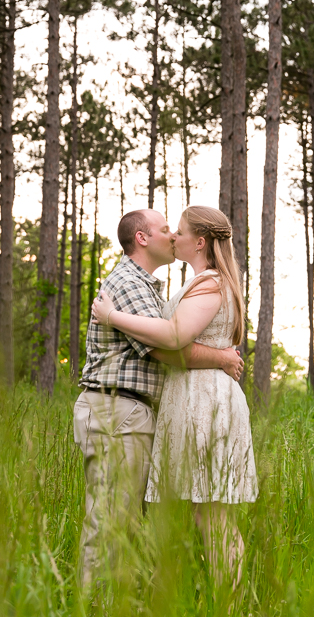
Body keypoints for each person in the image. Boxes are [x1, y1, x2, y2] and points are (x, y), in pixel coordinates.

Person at [74, 208, 244, 590]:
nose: (171, 236)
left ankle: (124, 608)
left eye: (176, 230)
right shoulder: (132, 285)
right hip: (116, 409)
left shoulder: (154, 286)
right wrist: (221, 357)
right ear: (142, 239)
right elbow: (165, 346)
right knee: (112, 519)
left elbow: (171, 336)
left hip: (136, 411)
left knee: (188, 516)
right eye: (166, 229)